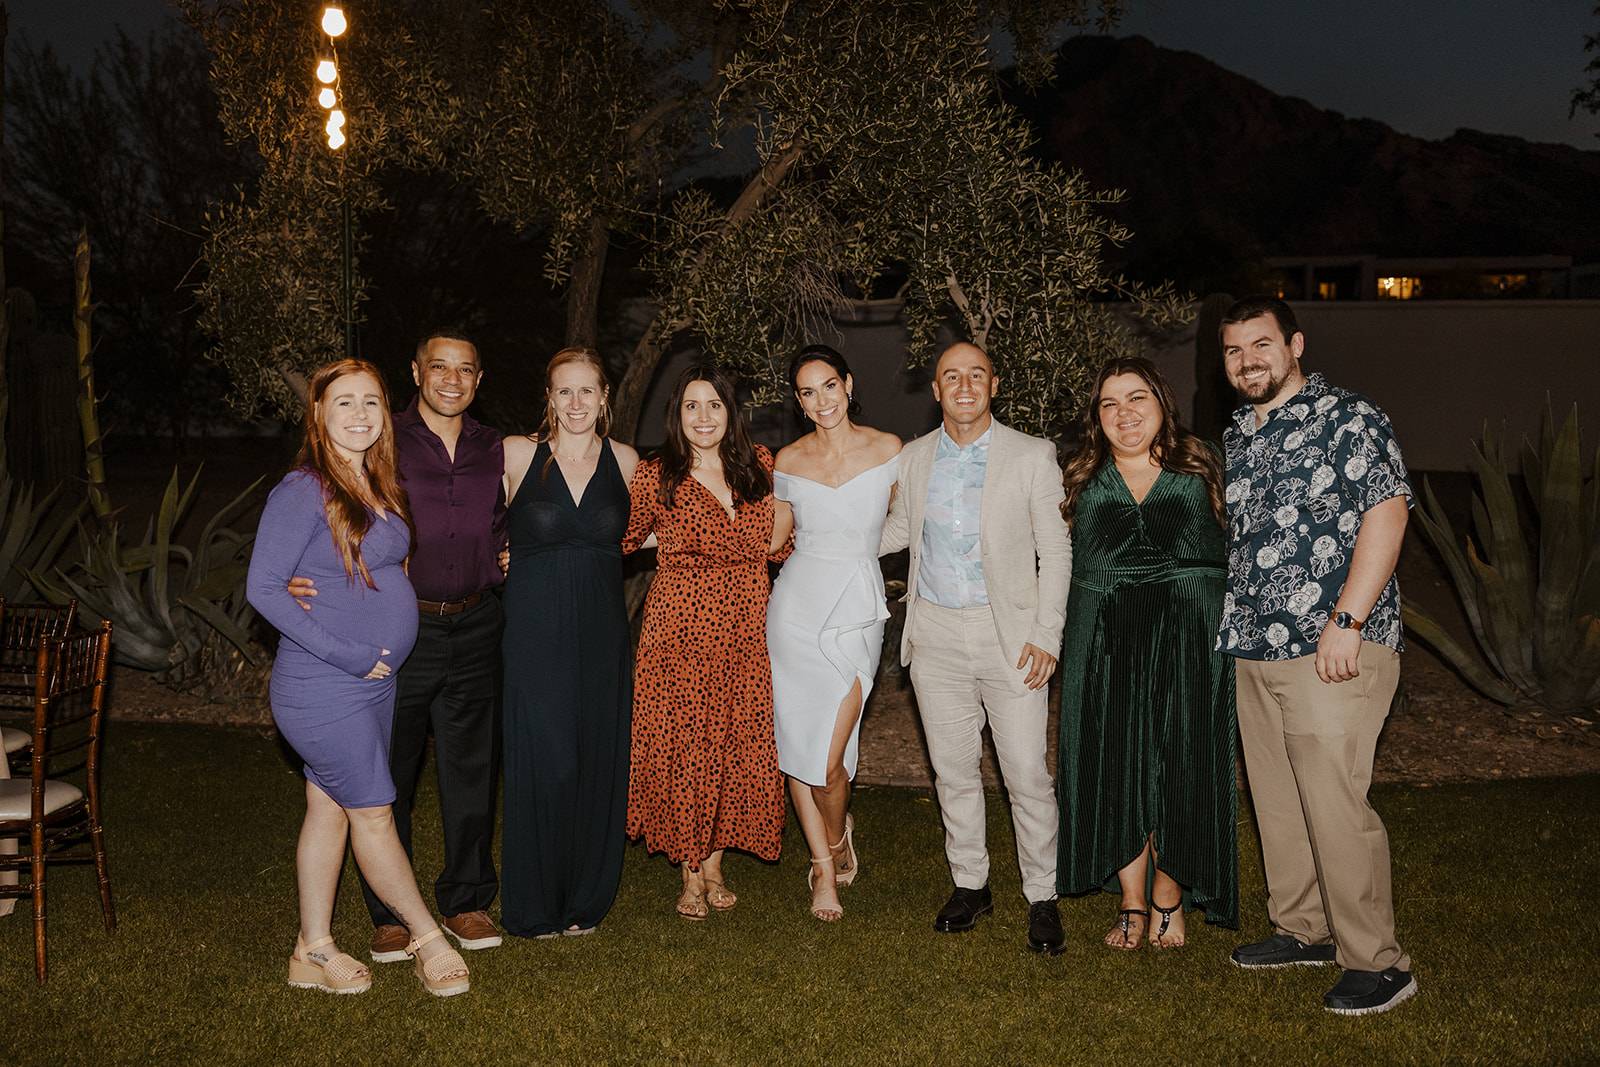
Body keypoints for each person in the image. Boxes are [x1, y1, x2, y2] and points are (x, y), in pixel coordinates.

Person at [1218, 296, 1417, 1016]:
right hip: (1254, 645)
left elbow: (1387, 511)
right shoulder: (1241, 430)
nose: (1248, 361)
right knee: (1279, 802)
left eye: (1262, 345)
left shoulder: (1349, 417)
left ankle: (1378, 961)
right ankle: (1303, 928)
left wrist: (1348, 619)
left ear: (1294, 344)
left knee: (1334, 802)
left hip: (1333, 646)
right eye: (1235, 351)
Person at [247, 359, 470, 997]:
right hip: (324, 686)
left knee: (328, 807)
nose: (359, 415)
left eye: (371, 402)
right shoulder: (303, 488)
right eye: (343, 403)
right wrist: (349, 654)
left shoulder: (373, 481)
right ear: (318, 413)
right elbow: (263, 586)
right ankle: (429, 939)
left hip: (374, 683)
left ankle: (311, 949)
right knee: (374, 812)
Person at [289, 330, 507, 962]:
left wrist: (507, 554)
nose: (451, 379)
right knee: (389, 773)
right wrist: (303, 576)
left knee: (471, 768)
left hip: (476, 623)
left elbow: (506, 515)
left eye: (465, 369)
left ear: (479, 378)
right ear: (415, 372)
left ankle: (465, 899)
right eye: (439, 366)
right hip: (400, 638)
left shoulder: (495, 446)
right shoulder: (381, 440)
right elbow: (318, 503)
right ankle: (389, 915)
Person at [879, 341, 1073, 954]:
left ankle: (1042, 895)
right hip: (934, 635)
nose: (963, 386)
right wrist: (825, 531)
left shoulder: (1033, 456)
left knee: (1027, 775)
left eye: (976, 375)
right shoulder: (912, 460)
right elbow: (898, 532)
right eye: (950, 377)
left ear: (993, 384)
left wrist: (1047, 635)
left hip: (1009, 637)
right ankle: (971, 884)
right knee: (954, 772)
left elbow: (1058, 551)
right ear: (935, 391)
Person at [1055, 357, 1237, 951]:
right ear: (1096, 416)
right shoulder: (1080, 473)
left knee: (1182, 761)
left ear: (1162, 402)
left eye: (1136, 398)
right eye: (1109, 403)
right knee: (1117, 763)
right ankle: (1132, 902)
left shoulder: (1204, 460)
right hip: (1106, 634)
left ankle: (1169, 895)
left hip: (1189, 630)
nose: (1123, 413)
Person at [623, 363, 791, 920]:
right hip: (681, 630)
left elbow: (775, 545)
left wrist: (788, 520)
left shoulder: (759, 466)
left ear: (730, 412)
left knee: (733, 740)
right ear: (677, 415)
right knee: (689, 743)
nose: (703, 417)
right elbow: (617, 538)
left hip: (745, 626)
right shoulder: (656, 475)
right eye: (691, 406)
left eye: (714, 405)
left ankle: (716, 860)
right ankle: (692, 873)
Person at [498, 347, 639, 938]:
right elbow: (456, 519)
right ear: (548, 398)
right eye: (564, 391)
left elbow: (667, 526)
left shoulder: (627, 461)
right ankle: (534, 902)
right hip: (533, 629)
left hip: (602, 633)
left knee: (594, 757)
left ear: (605, 397)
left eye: (588, 391)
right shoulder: (515, 454)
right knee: (545, 757)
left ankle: (586, 899)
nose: (575, 403)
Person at [767, 345, 902, 921]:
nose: (820, 399)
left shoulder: (890, 449)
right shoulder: (788, 461)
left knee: (828, 761)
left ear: (847, 384)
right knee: (798, 746)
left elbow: (908, 520)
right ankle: (824, 867)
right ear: (798, 401)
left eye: (828, 386)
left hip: (858, 608)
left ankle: (837, 831)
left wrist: (863, 555)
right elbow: (773, 541)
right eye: (806, 391)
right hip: (795, 609)